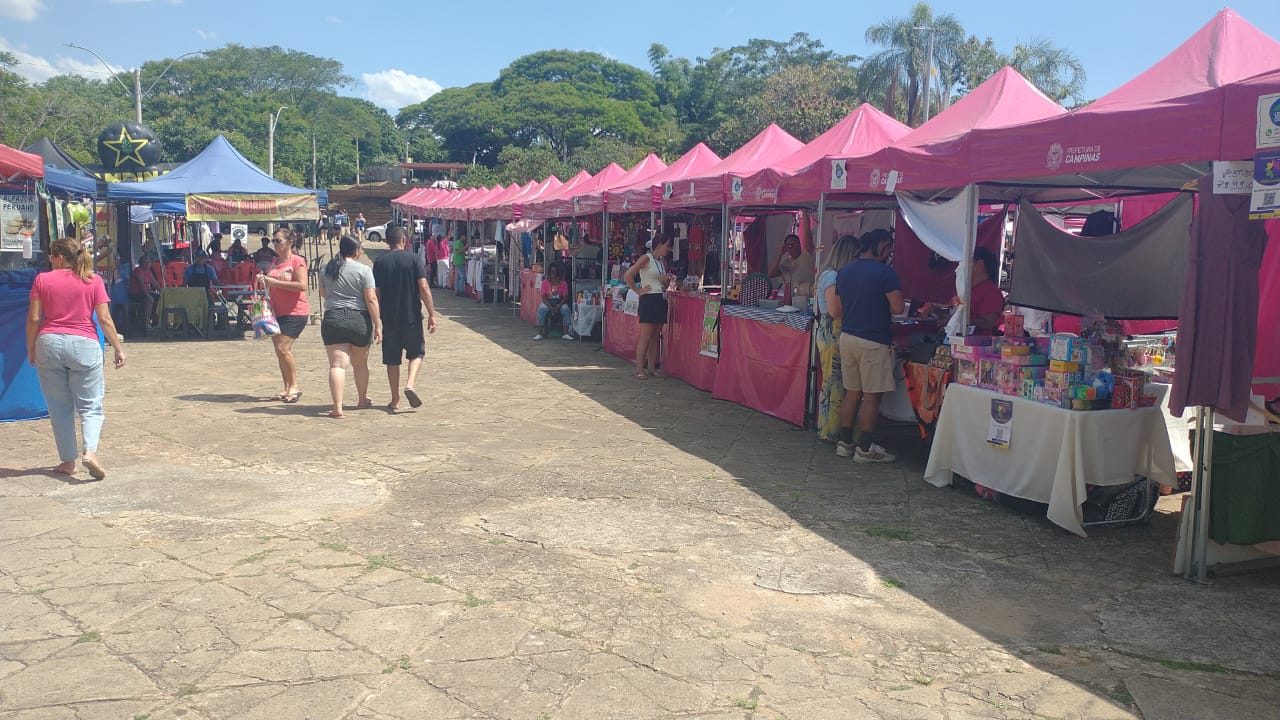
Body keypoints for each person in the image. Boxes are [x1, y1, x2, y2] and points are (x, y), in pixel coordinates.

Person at [26, 237, 126, 479]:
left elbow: (35, 318)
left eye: (52, 256)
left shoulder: (42, 280)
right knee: (90, 405)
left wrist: (31, 347)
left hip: (49, 343)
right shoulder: (93, 280)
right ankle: (90, 452)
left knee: (59, 407)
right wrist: (117, 348)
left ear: (59, 258)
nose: (50, 260)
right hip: (84, 344)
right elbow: (104, 319)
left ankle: (67, 461)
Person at [834, 229, 905, 463]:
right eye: (889, 249)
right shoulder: (886, 273)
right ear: (883, 247)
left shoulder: (845, 271)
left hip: (848, 336)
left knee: (852, 392)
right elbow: (898, 308)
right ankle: (864, 449)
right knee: (872, 397)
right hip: (874, 340)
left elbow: (838, 308)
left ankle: (844, 442)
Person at [373, 225, 437, 411]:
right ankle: (410, 384)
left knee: (392, 359)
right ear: (404, 240)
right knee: (417, 353)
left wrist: (376, 319)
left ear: (387, 241)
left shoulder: (380, 262)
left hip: (389, 318)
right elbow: (423, 287)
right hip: (411, 316)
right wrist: (432, 314)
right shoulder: (413, 259)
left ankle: (395, 399)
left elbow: (376, 293)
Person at [320, 235, 382, 418]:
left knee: (337, 365)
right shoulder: (364, 270)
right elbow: (371, 299)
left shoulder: (326, 268)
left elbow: (324, 293)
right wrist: (378, 324)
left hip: (333, 318)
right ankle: (362, 400)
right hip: (358, 318)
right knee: (360, 364)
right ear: (356, 250)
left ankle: (337, 407)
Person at [815, 235, 860, 444]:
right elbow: (835, 310)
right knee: (834, 383)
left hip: (832, 332)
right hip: (833, 332)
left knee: (835, 383)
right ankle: (831, 430)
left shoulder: (830, 275)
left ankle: (830, 428)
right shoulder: (833, 277)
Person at [257, 229, 310, 403]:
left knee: (283, 348)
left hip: (295, 311)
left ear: (289, 242)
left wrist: (275, 282)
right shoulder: (274, 261)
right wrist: (264, 280)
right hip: (276, 311)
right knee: (279, 352)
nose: (274, 244)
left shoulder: (297, 261)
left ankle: (294, 386)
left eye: (278, 241)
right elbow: (271, 283)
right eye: (273, 241)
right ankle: (286, 387)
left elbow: (302, 285)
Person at [624, 233, 674, 379]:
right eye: (667, 246)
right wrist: (638, 290)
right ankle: (639, 368)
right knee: (646, 336)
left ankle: (652, 367)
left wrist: (665, 281)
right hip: (649, 298)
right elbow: (628, 274)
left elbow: (665, 284)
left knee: (655, 336)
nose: (668, 249)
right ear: (659, 245)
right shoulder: (646, 258)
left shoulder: (662, 262)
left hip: (660, 298)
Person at [966, 247, 1006, 335]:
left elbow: (989, 321)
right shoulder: (965, 288)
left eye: (967, 262)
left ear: (979, 264)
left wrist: (960, 322)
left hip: (976, 342)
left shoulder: (991, 292)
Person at [533, 263, 575, 341]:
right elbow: (543, 296)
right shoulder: (545, 282)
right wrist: (551, 307)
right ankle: (539, 334)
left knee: (566, 309)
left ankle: (565, 333)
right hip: (548, 301)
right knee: (542, 309)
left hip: (559, 302)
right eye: (552, 272)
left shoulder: (563, 283)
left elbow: (565, 297)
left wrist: (558, 305)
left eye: (555, 272)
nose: (553, 274)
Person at [768, 233, 813, 301]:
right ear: (786, 248)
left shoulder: (807, 256)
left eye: (796, 244)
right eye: (791, 246)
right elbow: (771, 274)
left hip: (807, 299)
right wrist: (781, 254)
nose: (795, 248)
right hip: (790, 300)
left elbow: (807, 238)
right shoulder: (786, 263)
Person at [128, 259, 160, 328]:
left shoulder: (148, 271)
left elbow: (155, 283)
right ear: (140, 263)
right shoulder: (137, 271)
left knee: (159, 298)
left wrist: (162, 292)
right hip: (136, 293)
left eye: (149, 262)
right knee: (150, 300)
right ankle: (146, 323)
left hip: (146, 292)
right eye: (146, 262)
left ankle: (156, 322)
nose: (148, 264)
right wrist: (149, 297)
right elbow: (142, 286)